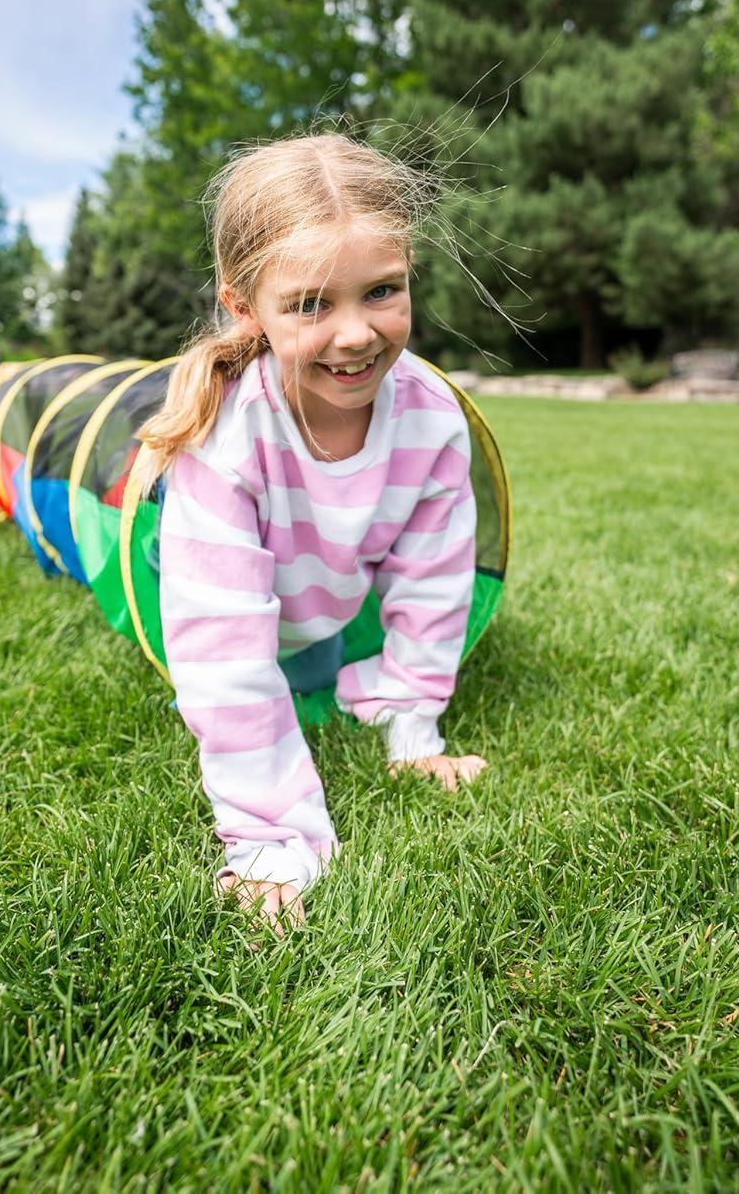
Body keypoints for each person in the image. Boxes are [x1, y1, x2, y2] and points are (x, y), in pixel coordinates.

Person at [138, 133, 487, 936]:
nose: (356, 334)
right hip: (204, 583)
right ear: (242, 306)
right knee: (235, 661)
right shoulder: (228, 437)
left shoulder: (431, 419)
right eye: (309, 304)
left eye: (381, 291)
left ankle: (353, 682)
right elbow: (222, 650)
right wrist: (270, 841)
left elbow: (434, 579)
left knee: (324, 652)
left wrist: (412, 723)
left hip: (319, 598)